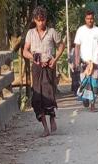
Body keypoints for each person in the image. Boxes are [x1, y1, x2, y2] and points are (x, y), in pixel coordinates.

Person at [23, 6, 65, 137]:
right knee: (37, 97)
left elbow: (61, 45)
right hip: (37, 68)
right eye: (38, 20)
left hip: (49, 66)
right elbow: (25, 51)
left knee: (49, 94)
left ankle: (52, 117)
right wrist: (33, 57)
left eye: (43, 20)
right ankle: (45, 127)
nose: (41, 23)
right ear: (35, 20)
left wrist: (55, 59)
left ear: (46, 20)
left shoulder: (52, 32)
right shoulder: (30, 33)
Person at [74, 10, 98, 112]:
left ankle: (93, 105)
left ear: (94, 19)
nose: (90, 20)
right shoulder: (80, 30)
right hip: (84, 62)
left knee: (94, 84)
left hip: (95, 62)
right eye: (88, 18)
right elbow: (77, 46)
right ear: (85, 19)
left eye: (91, 18)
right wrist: (76, 60)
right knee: (84, 82)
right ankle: (85, 99)